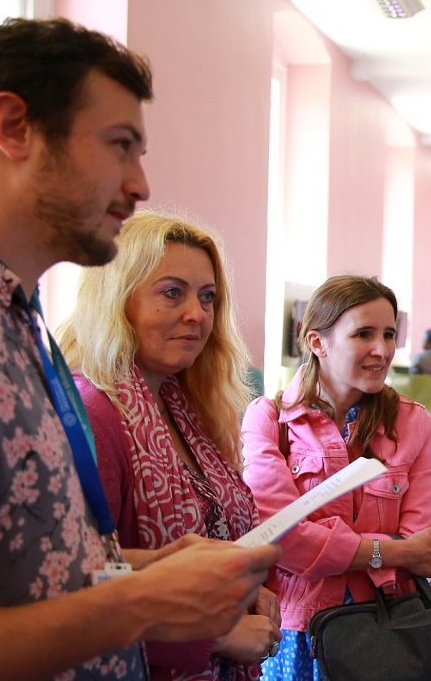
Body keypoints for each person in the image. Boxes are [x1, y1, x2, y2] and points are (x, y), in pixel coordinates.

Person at [0, 18, 278, 679]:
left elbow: (6, 568)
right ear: (13, 127)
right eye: (120, 146)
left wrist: (149, 567)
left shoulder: (8, 319)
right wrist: (133, 605)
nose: (138, 183)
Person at [57, 212, 281, 679]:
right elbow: (71, 582)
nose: (196, 314)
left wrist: (243, 588)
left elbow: (218, 532)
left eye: (207, 297)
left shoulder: (184, 406)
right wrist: (214, 633)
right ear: (118, 300)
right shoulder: (93, 412)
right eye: (172, 292)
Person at [241, 275, 431, 680]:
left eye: (389, 334)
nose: (382, 350)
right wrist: (392, 552)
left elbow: (424, 542)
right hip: (295, 631)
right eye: (364, 334)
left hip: (386, 622)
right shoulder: (268, 419)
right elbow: (281, 537)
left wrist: (328, 546)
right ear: (318, 343)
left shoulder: (413, 422)